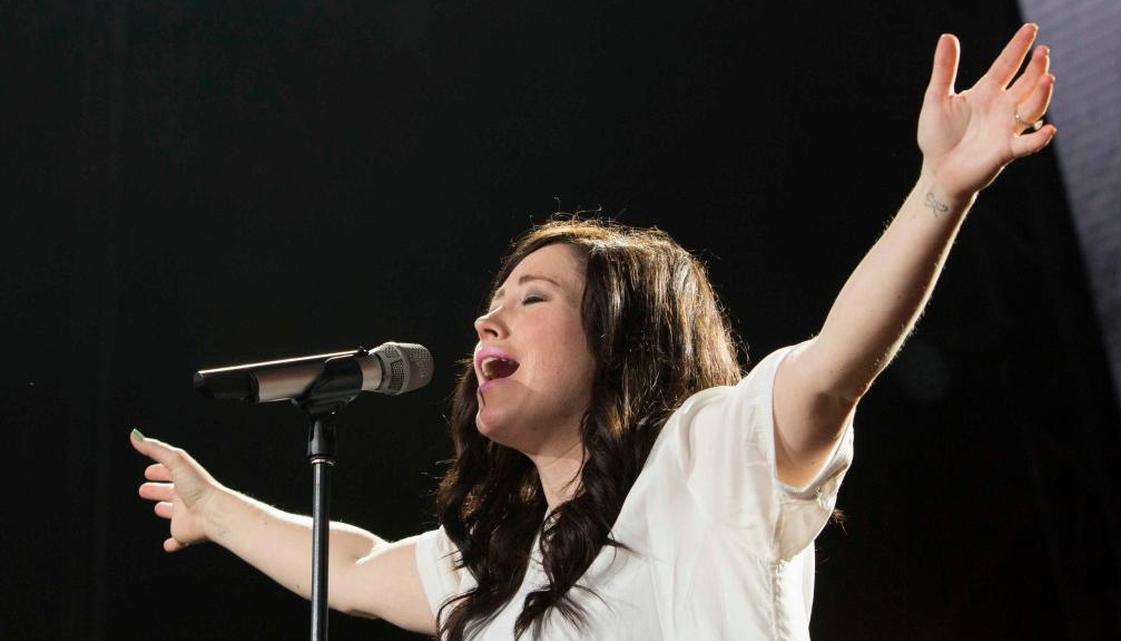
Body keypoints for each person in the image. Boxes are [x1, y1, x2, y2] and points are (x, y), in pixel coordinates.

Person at [131, 24, 1057, 640]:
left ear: (620, 341)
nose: (488, 316)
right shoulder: (498, 559)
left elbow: (833, 369)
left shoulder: (707, 456)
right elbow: (360, 562)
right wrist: (215, 508)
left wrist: (941, 190)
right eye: (496, 298)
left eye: (533, 296)